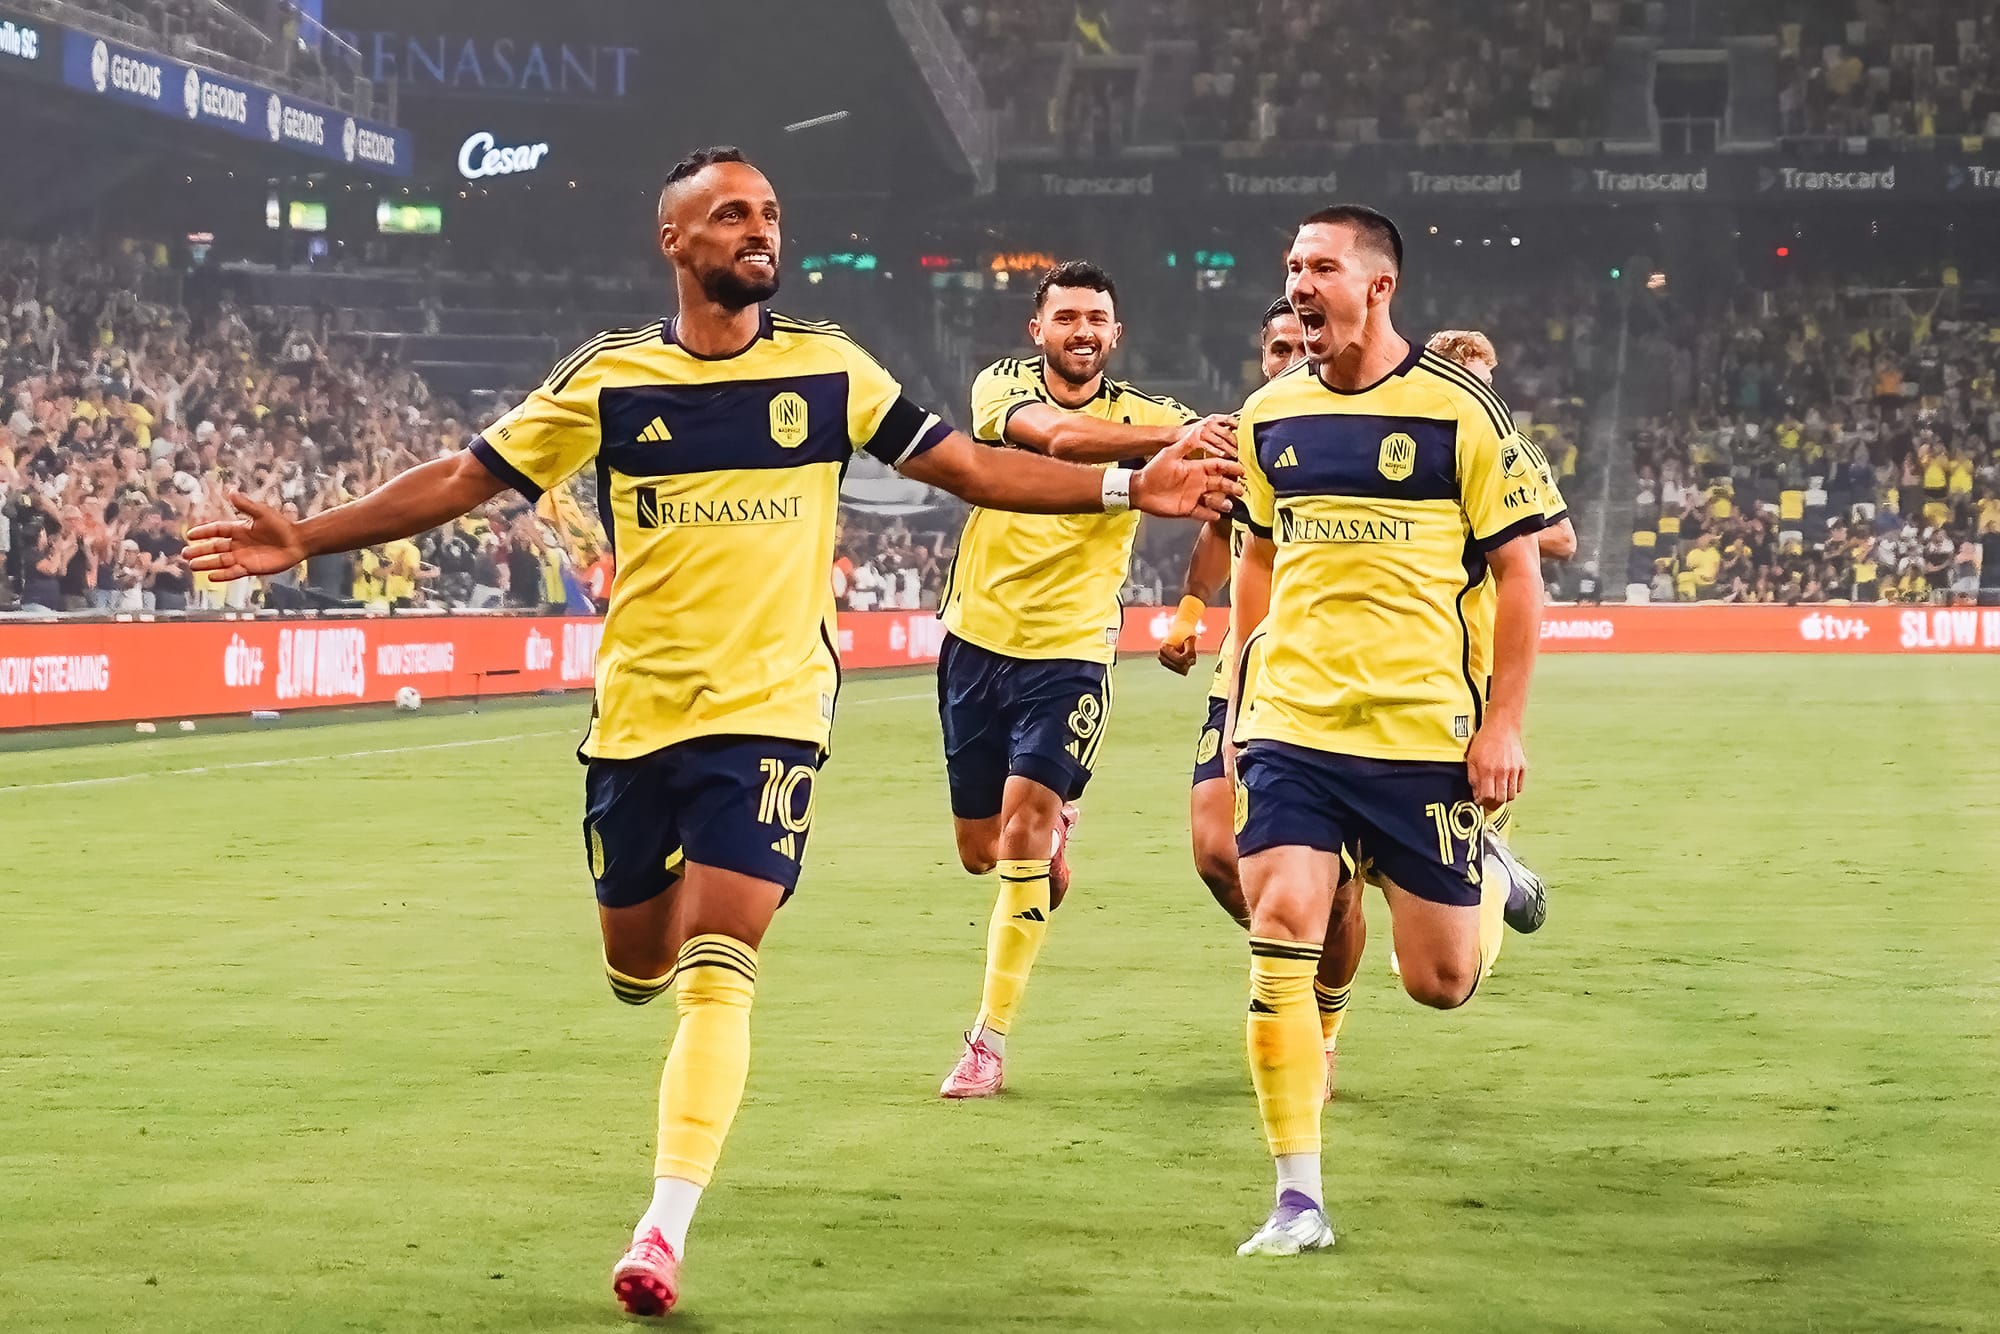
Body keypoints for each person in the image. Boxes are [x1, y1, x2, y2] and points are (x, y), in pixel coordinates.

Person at [185, 145, 1240, 1319]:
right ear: (674, 240)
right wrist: (309, 536)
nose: (759, 228)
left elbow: (971, 469)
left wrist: (1124, 489)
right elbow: (465, 476)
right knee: (637, 965)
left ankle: (664, 1223)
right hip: (637, 721)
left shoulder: (830, 368)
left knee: (719, 959)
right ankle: (654, 992)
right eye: (730, 213)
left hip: (772, 716)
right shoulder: (610, 379)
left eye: (769, 211)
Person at [1225, 205, 1546, 1258]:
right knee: (1282, 920)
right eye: (1291, 266)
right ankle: (1297, 1198)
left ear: (1378, 285)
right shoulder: (1269, 412)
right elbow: (1258, 559)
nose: (1299, 283)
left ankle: (1489, 874)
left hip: (1420, 735)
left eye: (1320, 265)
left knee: (1437, 982)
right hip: (1294, 724)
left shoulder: (1459, 410)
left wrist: (1502, 722)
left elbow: (1520, 571)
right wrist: (1239, 696)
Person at [932, 260, 1237, 1100]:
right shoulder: (1001, 388)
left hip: (1071, 655)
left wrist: (1189, 608)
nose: (1082, 331)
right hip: (975, 642)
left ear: (1116, 333)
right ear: (1038, 330)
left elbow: (1224, 500)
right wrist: (1170, 444)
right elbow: (1056, 438)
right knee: (981, 852)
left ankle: (988, 1041)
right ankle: (1047, 837)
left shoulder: (1155, 415)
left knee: (1024, 833)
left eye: (1096, 318)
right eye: (1066, 317)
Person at [1159, 298, 1304, 930]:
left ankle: (1308, 983)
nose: (1291, 360)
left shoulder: (1363, 425)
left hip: (1327, 673)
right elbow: (1221, 529)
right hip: (1244, 672)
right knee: (1217, 854)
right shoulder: (1242, 435)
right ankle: (1289, 948)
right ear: (1262, 358)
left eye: (1303, 346)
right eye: (1279, 349)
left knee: (1339, 882)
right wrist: (1188, 615)